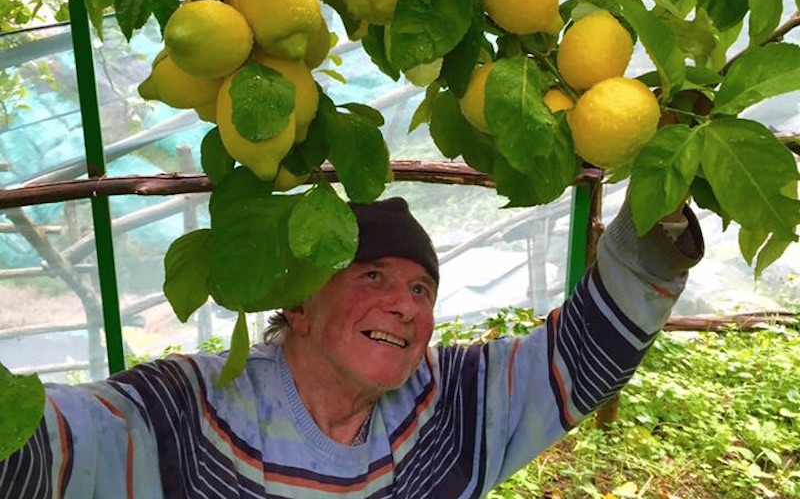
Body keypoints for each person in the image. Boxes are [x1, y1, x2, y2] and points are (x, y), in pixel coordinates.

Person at [0, 194, 703, 498]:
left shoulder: (441, 403)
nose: (405, 303)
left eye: (423, 289)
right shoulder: (188, 409)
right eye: (373, 277)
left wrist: (659, 222)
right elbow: (46, 446)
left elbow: (574, 362)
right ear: (300, 306)